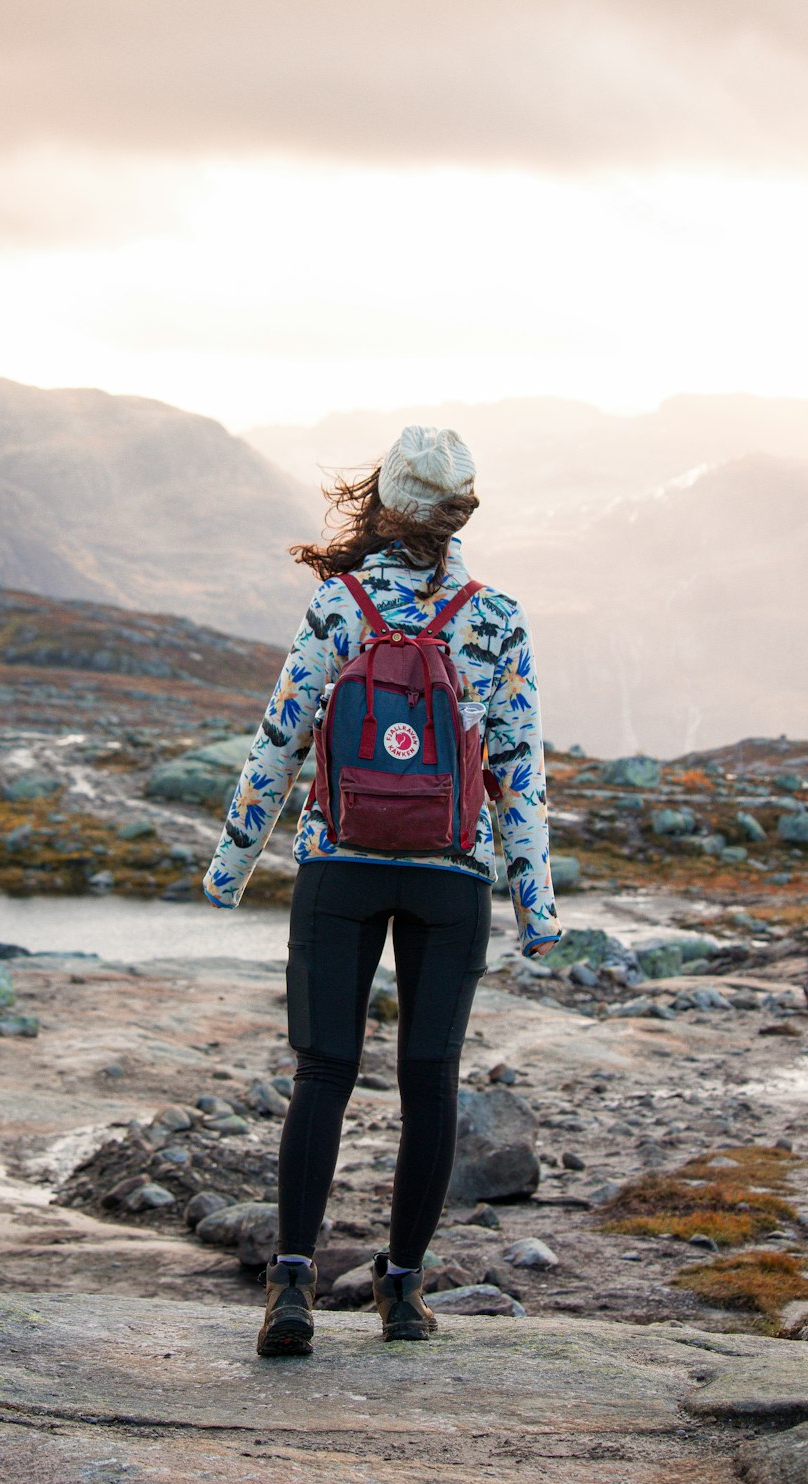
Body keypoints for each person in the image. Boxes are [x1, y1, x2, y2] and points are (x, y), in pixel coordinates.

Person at [203, 424, 560, 1355]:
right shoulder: (498, 617)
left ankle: (291, 1289)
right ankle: (402, 1294)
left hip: (340, 863)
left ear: (384, 503)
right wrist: (536, 902)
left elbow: (279, 741)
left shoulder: (340, 604)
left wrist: (230, 866)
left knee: (323, 1072)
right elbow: (518, 771)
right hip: (451, 874)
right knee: (429, 1080)